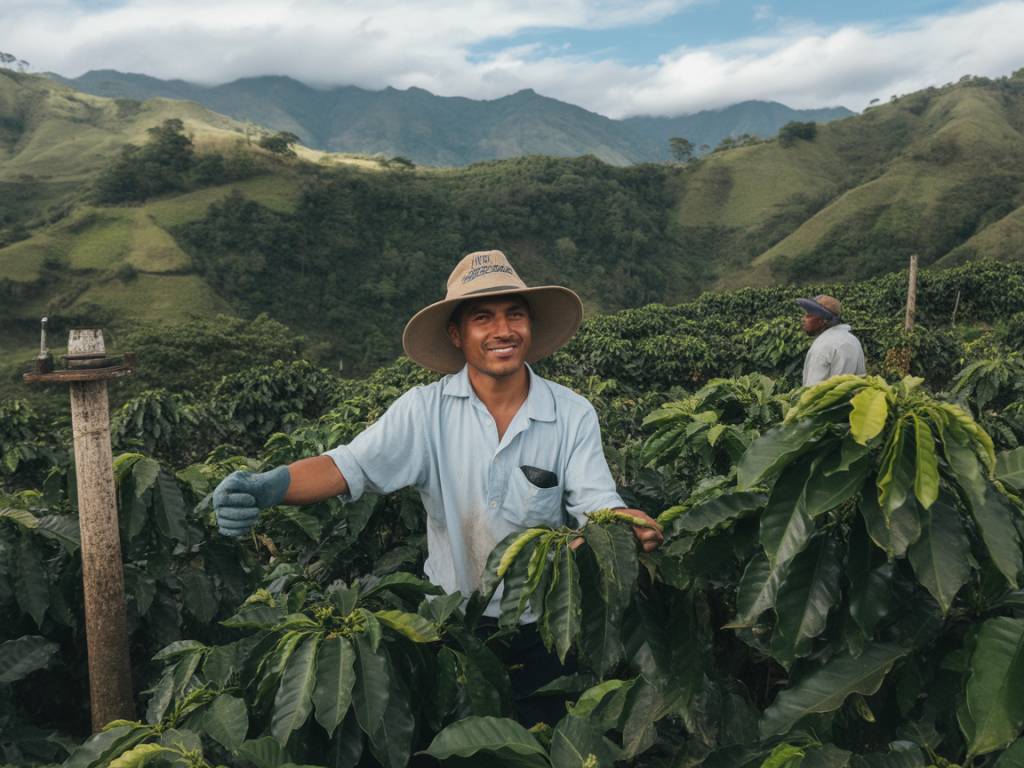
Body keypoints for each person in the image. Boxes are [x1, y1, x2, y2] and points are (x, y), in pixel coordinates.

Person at [212, 249, 663, 721]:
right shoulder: (425, 411)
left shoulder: (571, 414)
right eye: (483, 318)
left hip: (547, 629)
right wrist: (271, 485)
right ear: (457, 334)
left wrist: (625, 524)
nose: (502, 330)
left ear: (530, 326)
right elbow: (348, 466)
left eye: (515, 315)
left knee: (541, 742)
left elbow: (596, 502)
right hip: (451, 628)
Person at [796, 294, 866, 386]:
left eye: (809, 315)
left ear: (823, 320)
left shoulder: (822, 346)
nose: (803, 319)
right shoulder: (853, 340)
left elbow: (812, 392)